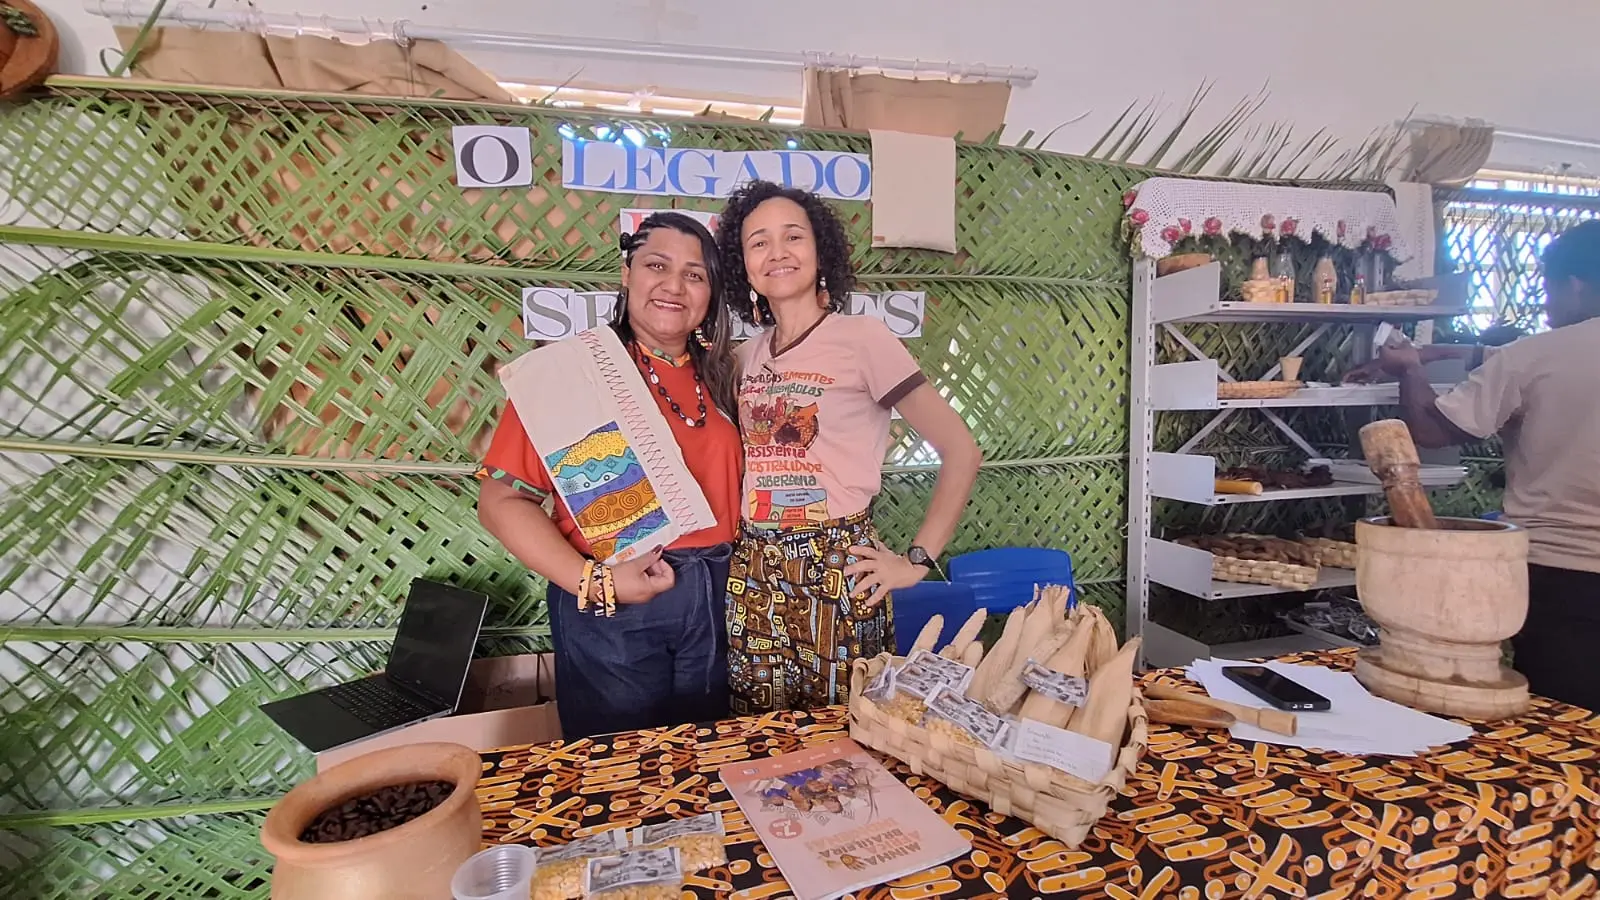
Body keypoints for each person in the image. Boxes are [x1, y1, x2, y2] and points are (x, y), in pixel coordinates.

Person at [715, 181, 982, 715]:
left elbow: (961, 448)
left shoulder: (864, 339)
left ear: (821, 252)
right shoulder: (743, 357)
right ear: (742, 265)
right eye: (758, 242)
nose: (777, 252)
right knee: (759, 733)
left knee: (845, 741)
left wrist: (917, 561)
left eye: (793, 236)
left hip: (836, 565)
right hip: (755, 569)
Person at [477, 212, 743, 738]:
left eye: (695, 274)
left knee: (710, 756)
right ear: (627, 273)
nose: (674, 285)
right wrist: (596, 583)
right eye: (657, 265)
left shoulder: (724, 377)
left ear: (710, 293)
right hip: (614, 599)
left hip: (717, 597)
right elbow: (500, 502)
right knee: (621, 765)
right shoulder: (570, 375)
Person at [1344, 220, 1600, 710]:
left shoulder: (1539, 355)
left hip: (1566, 570)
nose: (1547, 307)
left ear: (1575, 284)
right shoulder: (1531, 356)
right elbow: (1502, 357)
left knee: (1568, 714)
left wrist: (1411, 369)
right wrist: (1438, 350)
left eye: (1548, 292)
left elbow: (1432, 431)